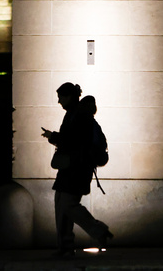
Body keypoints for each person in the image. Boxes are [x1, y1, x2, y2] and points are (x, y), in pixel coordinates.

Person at [40, 82, 113, 256]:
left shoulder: (78, 116)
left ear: (69, 97)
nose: (59, 101)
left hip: (76, 169)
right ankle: (65, 247)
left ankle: (97, 231)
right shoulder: (76, 114)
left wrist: (53, 137)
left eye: (61, 97)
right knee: (62, 205)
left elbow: (73, 141)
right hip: (72, 168)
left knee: (67, 205)